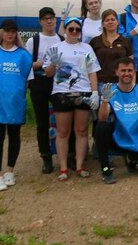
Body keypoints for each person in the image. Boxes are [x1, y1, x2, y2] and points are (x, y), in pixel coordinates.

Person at [43, 17, 101, 180]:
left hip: (83, 91)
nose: (74, 32)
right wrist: (53, 64)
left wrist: (95, 92)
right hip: (61, 93)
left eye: (77, 29)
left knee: (82, 131)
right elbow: (48, 73)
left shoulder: (87, 48)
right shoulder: (56, 47)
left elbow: (92, 71)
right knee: (63, 132)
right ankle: (63, 168)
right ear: (66, 30)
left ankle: (79, 166)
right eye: (71, 29)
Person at [0, 19, 33, 191]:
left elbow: (27, 80)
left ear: (17, 33)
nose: (10, 34)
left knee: (14, 136)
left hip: (15, 103)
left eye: (13, 31)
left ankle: (10, 171)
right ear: (1, 33)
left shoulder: (24, 56)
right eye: (7, 30)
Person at [94, 57, 138, 184]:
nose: (126, 73)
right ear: (116, 72)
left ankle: (131, 159)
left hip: (136, 136)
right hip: (116, 137)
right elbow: (102, 118)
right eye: (123, 70)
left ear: (134, 72)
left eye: (130, 70)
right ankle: (106, 169)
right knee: (101, 127)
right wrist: (104, 101)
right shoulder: (109, 90)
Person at [25, 7, 63, 174]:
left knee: (63, 119)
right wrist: (40, 63)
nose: (49, 21)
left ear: (55, 20)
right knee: (42, 122)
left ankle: (66, 153)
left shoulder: (62, 39)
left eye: (52, 18)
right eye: (45, 18)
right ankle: (46, 157)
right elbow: (25, 64)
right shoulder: (34, 41)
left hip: (59, 82)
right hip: (39, 82)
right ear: (40, 21)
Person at [89, 9, 133, 87]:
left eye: (113, 19)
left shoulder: (125, 41)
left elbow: (131, 65)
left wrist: (132, 85)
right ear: (103, 24)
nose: (110, 22)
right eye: (107, 20)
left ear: (117, 22)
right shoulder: (95, 41)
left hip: (120, 83)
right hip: (100, 83)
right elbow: (89, 65)